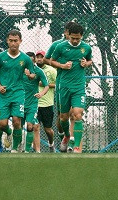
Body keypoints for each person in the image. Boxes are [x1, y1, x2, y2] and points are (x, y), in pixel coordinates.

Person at [50, 22, 93, 153]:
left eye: (77, 38)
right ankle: (67, 136)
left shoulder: (86, 48)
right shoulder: (60, 47)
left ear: (81, 36)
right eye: (72, 38)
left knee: (78, 114)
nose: (74, 41)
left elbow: (90, 60)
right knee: (63, 117)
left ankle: (76, 147)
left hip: (79, 86)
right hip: (64, 86)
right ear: (68, 35)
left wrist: (86, 63)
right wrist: (62, 66)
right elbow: (51, 61)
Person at [0, 30, 35, 153]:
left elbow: (33, 74)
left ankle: (15, 149)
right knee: (2, 124)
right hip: (3, 95)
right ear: (7, 41)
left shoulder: (26, 58)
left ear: (20, 41)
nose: (13, 43)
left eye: (16, 41)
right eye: (11, 40)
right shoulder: (0, 57)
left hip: (18, 93)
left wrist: (31, 76)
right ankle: (9, 133)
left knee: (17, 121)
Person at [44, 21, 76, 151]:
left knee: (75, 113)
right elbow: (46, 59)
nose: (73, 37)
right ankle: (63, 135)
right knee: (62, 117)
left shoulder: (81, 46)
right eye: (70, 34)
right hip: (61, 83)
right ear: (66, 32)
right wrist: (61, 66)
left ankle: (73, 142)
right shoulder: (57, 45)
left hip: (76, 83)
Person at [23, 52, 49, 152]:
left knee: (31, 125)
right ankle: (15, 148)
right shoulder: (19, 69)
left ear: (34, 60)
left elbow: (46, 85)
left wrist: (41, 93)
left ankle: (28, 150)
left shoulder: (39, 71)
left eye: (31, 59)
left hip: (32, 104)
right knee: (17, 126)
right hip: (19, 102)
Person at [36, 50, 57, 152]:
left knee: (48, 130)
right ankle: (37, 150)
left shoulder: (51, 70)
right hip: (34, 104)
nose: (39, 59)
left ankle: (51, 144)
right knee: (34, 127)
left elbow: (58, 85)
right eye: (37, 57)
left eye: (41, 57)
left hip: (47, 103)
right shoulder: (32, 70)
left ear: (45, 58)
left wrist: (44, 84)